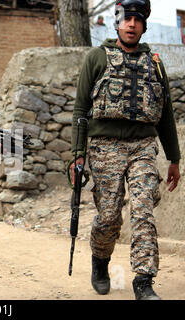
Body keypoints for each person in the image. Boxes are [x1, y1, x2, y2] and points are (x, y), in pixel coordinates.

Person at [70, 0, 181, 300]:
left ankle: (143, 281)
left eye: (138, 19)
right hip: (105, 147)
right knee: (108, 217)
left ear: (144, 24)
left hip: (143, 146)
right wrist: (77, 154)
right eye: (127, 18)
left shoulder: (155, 63)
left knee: (143, 211)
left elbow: (166, 114)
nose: (132, 24)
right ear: (117, 22)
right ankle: (100, 260)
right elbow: (81, 108)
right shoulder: (96, 58)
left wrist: (174, 158)